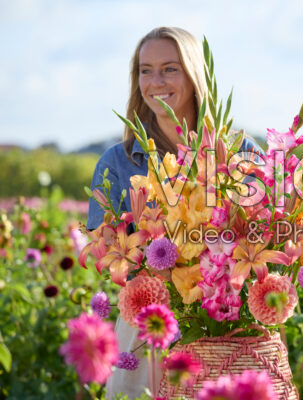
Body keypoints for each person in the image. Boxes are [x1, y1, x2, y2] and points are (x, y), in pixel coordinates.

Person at [86, 26, 262, 399]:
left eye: (170, 68)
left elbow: (267, 231)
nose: (155, 82)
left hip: (225, 325)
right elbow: (104, 251)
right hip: (148, 328)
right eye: (145, 70)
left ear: (195, 74)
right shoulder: (117, 162)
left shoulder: (240, 150)